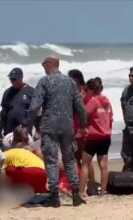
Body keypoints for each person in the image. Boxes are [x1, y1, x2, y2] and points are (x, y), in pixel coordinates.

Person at [28, 56, 87, 207]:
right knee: (70, 160)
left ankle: (54, 197)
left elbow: (35, 106)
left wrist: (31, 124)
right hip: (67, 126)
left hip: (49, 127)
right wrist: (82, 125)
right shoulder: (70, 81)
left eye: (43, 64)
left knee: (52, 161)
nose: (43, 67)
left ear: (49, 64)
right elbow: (80, 106)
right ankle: (75, 194)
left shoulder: (44, 81)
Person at [79, 78, 113, 197]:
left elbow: (83, 113)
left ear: (91, 90)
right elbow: (111, 118)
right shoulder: (107, 101)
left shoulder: (93, 101)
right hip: (106, 136)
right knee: (103, 165)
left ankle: (81, 191)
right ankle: (103, 192)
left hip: (94, 137)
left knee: (85, 164)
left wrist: (82, 98)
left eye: (86, 89)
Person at [68, 70, 96, 187]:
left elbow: (86, 110)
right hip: (74, 129)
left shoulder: (84, 92)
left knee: (86, 159)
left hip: (84, 130)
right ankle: (81, 184)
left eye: (71, 79)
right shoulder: (72, 91)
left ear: (77, 79)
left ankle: (92, 184)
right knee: (76, 157)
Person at [0, 68, 35, 148]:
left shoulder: (31, 91)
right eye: (11, 79)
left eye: (14, 79)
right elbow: (3, 113)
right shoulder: (7, 92)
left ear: (21, 78)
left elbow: (37, 112)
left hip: (24, 132)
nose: (12, 81)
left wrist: (38, 130)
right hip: (9, 133)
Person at [3, 127, 47, 193]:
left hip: (24, 176)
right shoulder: (34, 149)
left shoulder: (7, 153)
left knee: (5, 170)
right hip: (41, 175)